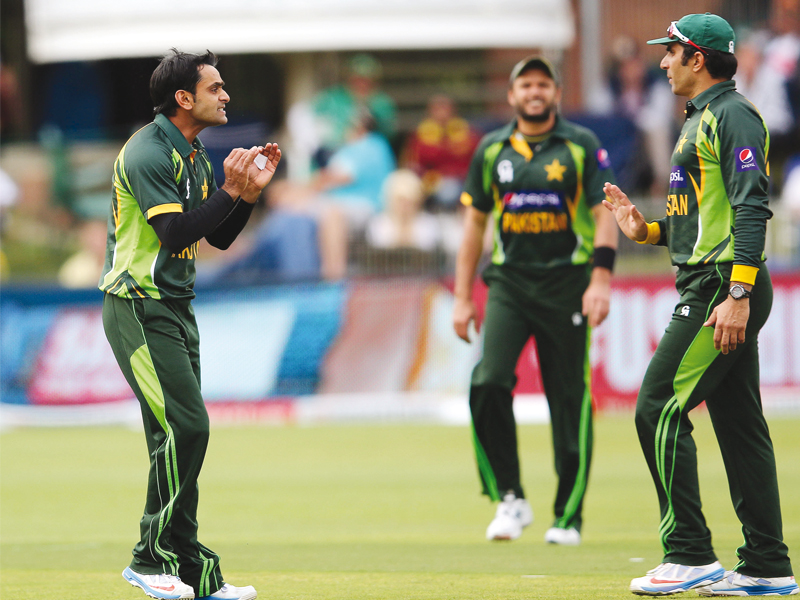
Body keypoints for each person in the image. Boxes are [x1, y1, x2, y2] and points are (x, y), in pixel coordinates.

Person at [603, 14, 798, 597]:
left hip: (721, 287)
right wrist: (646, 231)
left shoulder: (732, 114)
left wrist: (737, 293)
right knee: (741, 427)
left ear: (697, 57)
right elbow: (702, 220)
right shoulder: (702, 119)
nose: (661, 62)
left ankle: (688, 553)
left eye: (670, 52)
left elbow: (750, 208)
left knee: (657, 407)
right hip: (715, 279)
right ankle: (767, 564)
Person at [99, 49, 281, 600]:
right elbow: (176, 234)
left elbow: (217, 237)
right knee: (188, 429)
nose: (226, 96)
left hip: (176, 307)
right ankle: (147, 559)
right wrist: (231, 190)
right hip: (138, 307)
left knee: (178, 441)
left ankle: (195, 576)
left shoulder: (194, 153)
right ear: (184, 97)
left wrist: (246, 194)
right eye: (216, 87)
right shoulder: (148, 152)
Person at [452, 56, 618, 546]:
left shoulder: (581, 146)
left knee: (568, 399)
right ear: (512, 95)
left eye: (543, 84)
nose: (534, 92)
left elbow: (605, 215)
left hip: (568, 283)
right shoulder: (491, 150)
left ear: (556, 93)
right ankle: (510, 497)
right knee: (487, 382)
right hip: (509, 284)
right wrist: (463, 297)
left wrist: (601, 280)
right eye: (525, 84)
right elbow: (474, 227)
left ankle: (567, 516)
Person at [402, 94, 481, 210]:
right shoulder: (420, 134)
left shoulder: (466, 133)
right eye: (437, 109)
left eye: (445, 108)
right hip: (428, 181)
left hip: (459, 182)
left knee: (449, 191)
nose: (441, 113)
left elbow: (474, 161)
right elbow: (412, 162)